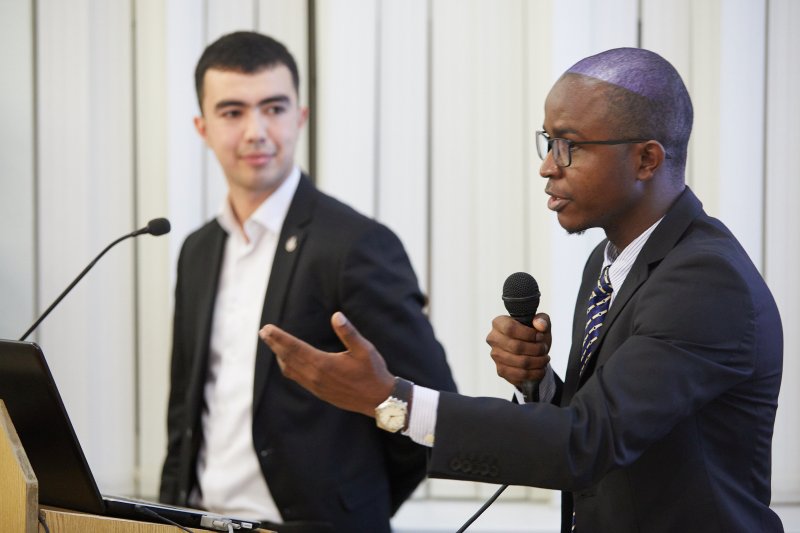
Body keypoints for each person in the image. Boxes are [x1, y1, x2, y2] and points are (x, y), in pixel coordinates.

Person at [259, 47, 784, 533]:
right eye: (548, 141)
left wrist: (393, 401)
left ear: (646, 160)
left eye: (569, 146)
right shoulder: (608, 265)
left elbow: (586, 443)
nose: (548, 165)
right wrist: (540, 386)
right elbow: (610, 425)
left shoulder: (705, 282)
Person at [158, 31, 457, 533]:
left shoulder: (356, 244)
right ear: (202, 127)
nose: (256, 131)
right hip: (200, 519)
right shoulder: (198, 249)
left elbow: (430, 409)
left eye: (273, 108)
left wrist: (353, 507)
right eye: (232, 112)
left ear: (300, 116)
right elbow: (184, 408)